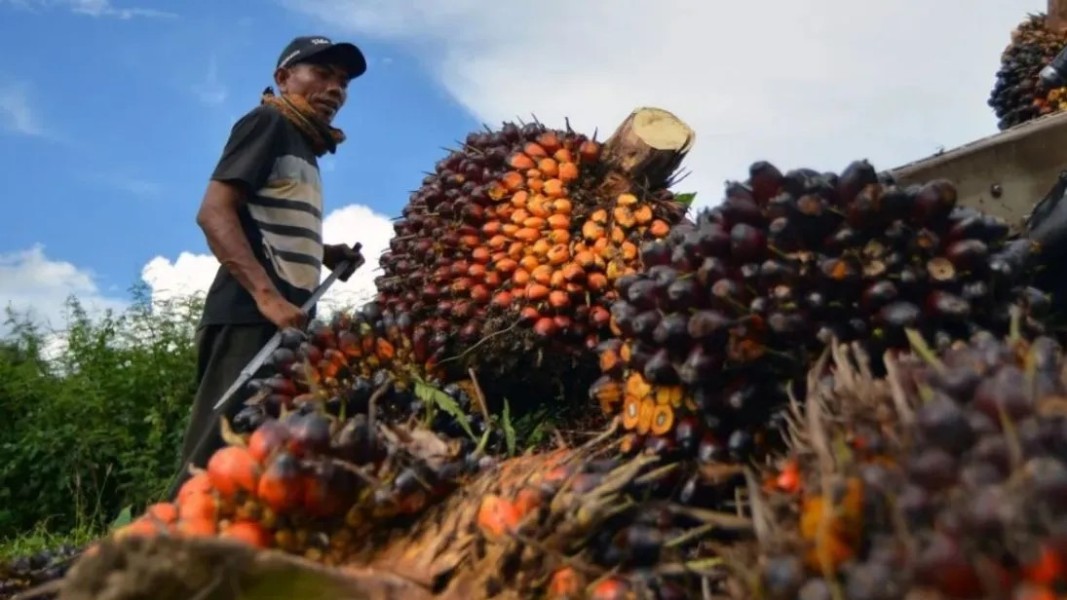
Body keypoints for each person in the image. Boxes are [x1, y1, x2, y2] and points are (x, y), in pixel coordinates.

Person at [171, 36, 367, 493]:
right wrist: (267, 297)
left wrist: (326, 252)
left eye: (342, 81)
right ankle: (157, 551)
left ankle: (232, 557)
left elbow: (266, 222)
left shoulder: (304, 147)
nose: (336, 89)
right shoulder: (268, 123)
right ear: (283, 78)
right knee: (215, 456)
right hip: (250, 319)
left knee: (262, 457)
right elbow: (215, 211)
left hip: (287, 324)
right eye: (321, 74)